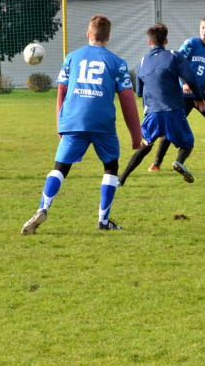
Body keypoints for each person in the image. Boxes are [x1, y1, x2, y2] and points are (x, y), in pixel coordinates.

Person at [21, 15, 142, 234]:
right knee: (111, 167)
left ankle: (43, 208)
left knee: (60, 168)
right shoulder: (117, 62)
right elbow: (127, 101)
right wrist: (136, 137)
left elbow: (61, 92)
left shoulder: (72, 58)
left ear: (88, 35)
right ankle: (103, 220)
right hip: (102, 123)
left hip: (73, 121)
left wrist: (60, 125)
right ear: (108, 37)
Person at [118, 23, 205, 186]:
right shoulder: (174, 56)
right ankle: (179, 162)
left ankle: (122, 179)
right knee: (187, 144)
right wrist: (199, 98)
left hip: (152, 113)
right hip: (173, 111)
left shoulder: (143, 61)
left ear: (149, 42)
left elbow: (138, 91)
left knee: (145, 147)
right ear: (166, 40)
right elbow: (191, 78)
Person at [150, 16, 205, 170]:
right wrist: (184, 82)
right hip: (182, 95)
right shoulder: (191, 43)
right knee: (171, 127)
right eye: (202, 28)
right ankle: (157, 162)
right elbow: (176, 62)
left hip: (200, 96)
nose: (204, 31)